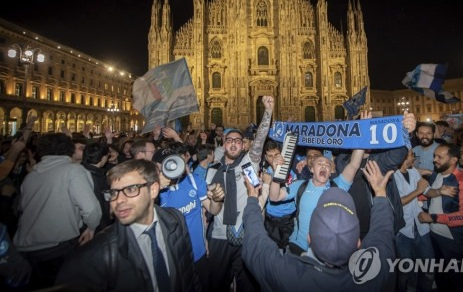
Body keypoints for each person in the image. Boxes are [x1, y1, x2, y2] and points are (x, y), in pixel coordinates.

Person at [242, 159, 396, 291]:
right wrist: (381, 194)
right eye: (319, 163)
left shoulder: (284, 274)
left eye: (327, 164)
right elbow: (383, 233)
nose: (323, 166)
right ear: (358, 243)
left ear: (309, 238)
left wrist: (252, 197)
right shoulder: (373, 274)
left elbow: (254, 240)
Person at [56, 159, 200, 291]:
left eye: (131, 189)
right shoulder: (93, 256)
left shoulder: (175, 220)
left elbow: (188, 274)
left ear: (154, 190)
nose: (119, 201)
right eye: (113, 193)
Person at [14, 133, 101, 289]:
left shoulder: (31, 175)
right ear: (69, 149)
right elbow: (91, 208)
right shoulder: (73, 171)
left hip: (25, 249)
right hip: (57, 247)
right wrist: (92, 227)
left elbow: (21, 208)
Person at [205, 96, 274, 292]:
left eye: (238, 140)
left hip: (246, 235)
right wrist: (217, 200)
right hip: (220, 236)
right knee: (216, 284)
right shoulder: (212, 171)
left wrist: (268, 112)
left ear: (243, 145)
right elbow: (213, 209)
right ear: (223, 144)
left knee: (248, 286)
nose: (234, 144)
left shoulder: (249, 164)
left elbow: (260, 140)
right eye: (229, 140)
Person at [154, 148, 224, 292]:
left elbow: (213, 210)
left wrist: (217, 200)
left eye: (172, 160)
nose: (169, 166)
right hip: (173, 260)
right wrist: (155, 189)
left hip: (198, 254)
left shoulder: (192, 180)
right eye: (163, 163)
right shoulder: (152, 192)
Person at [418, 143, 463, 292]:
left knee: (459, 281)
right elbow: (430, 196)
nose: (434, 160)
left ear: (453, 160)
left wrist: (433, 218)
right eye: (434, 156)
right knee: (441, 277)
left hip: (454, 240)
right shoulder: (436, 176)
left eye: (439, 157)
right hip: (434, 236)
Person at [394, 149, 434, 292]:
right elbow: (398, 203)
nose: (414, 159)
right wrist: (417, 191)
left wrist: (441, 191)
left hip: (421, 225)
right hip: (403, 230)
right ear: (403, 157)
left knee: (428, 265)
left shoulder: (414, 172)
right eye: (412, 156)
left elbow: (427, 190)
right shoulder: (392, 176)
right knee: (405, 270)